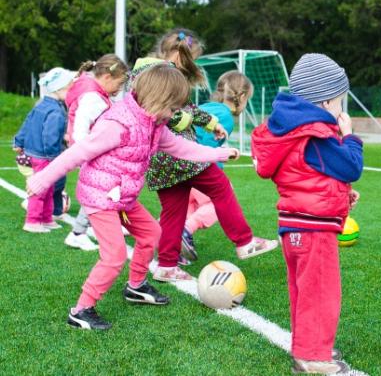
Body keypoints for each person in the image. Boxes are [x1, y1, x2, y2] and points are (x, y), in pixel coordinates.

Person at [26, 64, 239, 330]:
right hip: (100, 197)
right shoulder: (117, 124)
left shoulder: (154, 123)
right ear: (158, 99)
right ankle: (81, 310)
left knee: (152, 234)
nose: (176, 115)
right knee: (114, 255)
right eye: (173, 108)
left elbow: (180, 147)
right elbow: (77, 153)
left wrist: (219, 153)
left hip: (122, 197)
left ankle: (136, 286)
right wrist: (42, 180)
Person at [128, 28, 277, 283]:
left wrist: (211, 124)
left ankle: (166, 265)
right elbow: (170, 114)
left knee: (174, 211)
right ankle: (245, 241)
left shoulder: (144, 71)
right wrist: (195, 126)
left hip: (159, 160)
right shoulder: (161, 74)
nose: (191, 65)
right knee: (220, 187)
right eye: (190, 59)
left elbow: (185, 108)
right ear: (178, 55)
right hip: (178, 153)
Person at [251, 53, 363, 374]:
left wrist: (341, 197)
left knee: (304, 291)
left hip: (295, 225)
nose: (342, 109)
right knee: (321, 293)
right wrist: (350, 136)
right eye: (341, 101)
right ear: (326, 101)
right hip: (313, 230)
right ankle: (313, 356)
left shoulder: (292, 132)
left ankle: (308, 345)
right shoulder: (315, 135)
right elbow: (351, 166)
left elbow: (309, 176)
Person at [181, 70, 254, 262]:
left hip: (180, 163)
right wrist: (219, 155)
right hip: (197, 166)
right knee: (219, 201)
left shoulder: (207, 107)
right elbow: (205, 144)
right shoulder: (226, 117)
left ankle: (170, 243)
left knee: (186, 207)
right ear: (243, 97)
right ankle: (185, 231)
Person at [63, 54, 128, 251]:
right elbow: (81, 129)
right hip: (90, 153)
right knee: (99, 191)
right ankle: (77, 233)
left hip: (93, 152)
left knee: (109, 188)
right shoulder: (92, 97)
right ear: (107, 77)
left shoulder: (97, 94)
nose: (120, 89)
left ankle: (102, 225)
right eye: (119, 83)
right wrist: (89, 153)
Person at [14, 67, 76, 233]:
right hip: (45, 156)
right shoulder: (56, 111)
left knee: (48, 187)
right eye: (69, 88)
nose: (71, 92)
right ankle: (33, 221)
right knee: (42, 188)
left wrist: (18, 141)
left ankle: (46, 218)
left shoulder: (40, 104)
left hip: (36, 153)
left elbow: (27, 123)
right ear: (59, 89)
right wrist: (55, 157)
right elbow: (50, 136)